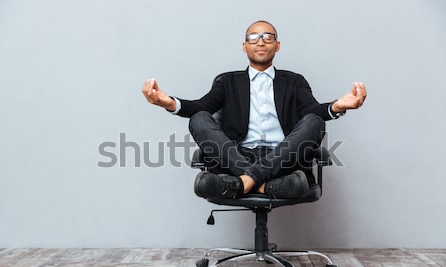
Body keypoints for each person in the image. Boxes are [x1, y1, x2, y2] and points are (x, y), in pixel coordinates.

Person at [142, 20, 367, 199]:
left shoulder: (294, 81)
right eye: (253, 38)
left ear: (277, 45)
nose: (261, 42)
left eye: (268, 37)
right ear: (245, 46)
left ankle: (241, 184)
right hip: (238, 156)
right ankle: (266, 186)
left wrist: (337, 106)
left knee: (314, 121)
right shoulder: (227, 82)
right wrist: (168, 102)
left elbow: (313, 110)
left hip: (283, 156)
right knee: (199, 118)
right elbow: (201, 107)